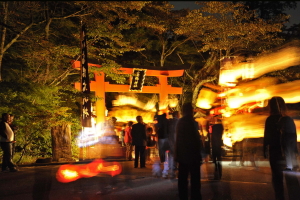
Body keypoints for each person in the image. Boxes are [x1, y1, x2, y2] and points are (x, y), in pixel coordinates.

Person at [264, 96, 298, 200]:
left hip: (275, 152)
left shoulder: (270, 120)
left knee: (277, 179)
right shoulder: (288, 119)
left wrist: (265, 149)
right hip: (287, 153)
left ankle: (280, 198)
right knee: (291, 178)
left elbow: (267, 137)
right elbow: (293, 136)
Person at [175, 103, 203, 200]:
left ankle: (183, 197)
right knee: (195, 179)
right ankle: (195, 196)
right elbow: (196, 139)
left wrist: (176, 155)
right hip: (193, 155)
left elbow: (178, 140)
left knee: (183, 180)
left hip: (182, 155)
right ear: (190, 110)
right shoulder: (193, 123)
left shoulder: (180, 123)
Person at [155, 112, 170, 178]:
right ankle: (167, 160)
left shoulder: (160, 122)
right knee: (168, 149)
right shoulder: (167, 121)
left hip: (161, 137)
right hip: (167, 137)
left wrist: (156, 132)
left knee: (161, 149)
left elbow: (156, 126)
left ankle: (163, 159)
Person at [168, 111, 179, 179]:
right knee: (176, 155)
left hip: (170, 140)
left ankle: (172, 169)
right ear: (176, 115)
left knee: (171, 155)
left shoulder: (169, 122)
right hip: (176, 141)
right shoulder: (178, 121)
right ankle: (175, 169)